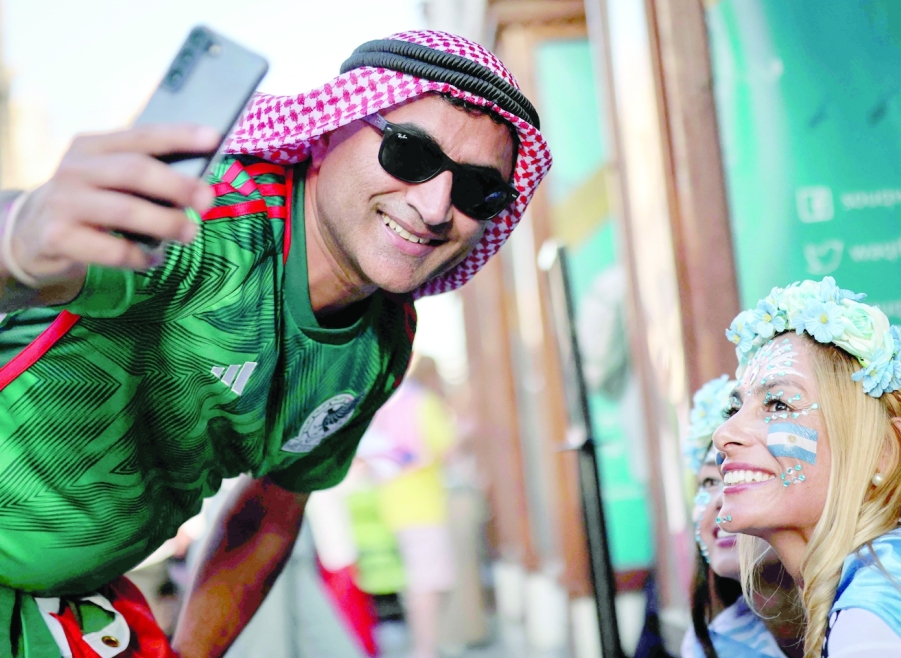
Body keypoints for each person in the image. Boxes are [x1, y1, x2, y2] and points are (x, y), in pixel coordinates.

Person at [0, 30, 551, 658]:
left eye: (479, 189)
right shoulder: (206, 220)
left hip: (67, 613)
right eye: (408, 153)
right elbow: (40, 265)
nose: (434, 206)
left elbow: (271, 513)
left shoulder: (383, 344)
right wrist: (22, 234)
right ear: (325, 136)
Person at [714, 277, 901, 657]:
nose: (724, 434)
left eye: (778, 404)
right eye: (735, 408)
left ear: (883, 450)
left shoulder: (883, 610)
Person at [681, 376, 801, 658]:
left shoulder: (879, 600)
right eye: (710, 482)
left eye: (746, 475)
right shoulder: (711, 645)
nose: (723, 500)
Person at [355, 355, 457, 658]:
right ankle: (425, 649)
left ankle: (425, 646)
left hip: (394, 503)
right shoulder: (422, 403)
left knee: (421, 580)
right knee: (428, 582)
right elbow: (446, 447)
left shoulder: (387, 405)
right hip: (423, 506)